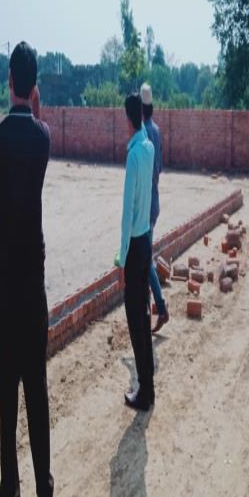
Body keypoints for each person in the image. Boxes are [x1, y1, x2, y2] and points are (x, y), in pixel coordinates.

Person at [0, 42, 53, 497]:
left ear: (9, 80)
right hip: (37, 287)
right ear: (34, 87)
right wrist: (34, 104)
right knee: (38, 395)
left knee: (8, 403)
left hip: (8, 286)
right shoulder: (43, 137)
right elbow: (37, 128)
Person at [115, 94, 155, 411]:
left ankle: (145, 391)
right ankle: (148, 385)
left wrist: (121, 257)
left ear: (129, 120)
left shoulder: (133, 156)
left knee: (135, 320)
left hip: (134, 246)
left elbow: (127, 212)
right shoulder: (149, 147)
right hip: (146, 241)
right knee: (142, 315)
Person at [140, 83, 169, 333]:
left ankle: (160, 306)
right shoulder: (157, 131)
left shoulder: (142, 134)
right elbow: (159, 167)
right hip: (155, 201)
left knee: (145, 260)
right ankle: (150, 308)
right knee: (145, 256)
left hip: (145, 206)